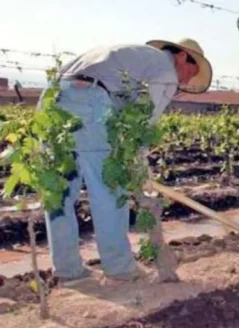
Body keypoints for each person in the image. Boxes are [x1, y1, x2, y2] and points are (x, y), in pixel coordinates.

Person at [43, 38, 212, 285]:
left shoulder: (134, 58)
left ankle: (68, 271)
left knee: (60, 194)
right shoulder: (165, 70)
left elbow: (125, 107)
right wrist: (137, 160)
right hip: (90, 103)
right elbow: (146, 118)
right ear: (182, 57)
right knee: (109, 188)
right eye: (190, 72)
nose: (185, 81)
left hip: (52, 101)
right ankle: (119, 268)